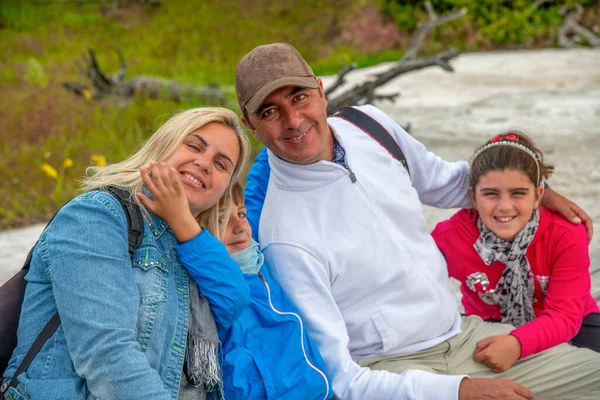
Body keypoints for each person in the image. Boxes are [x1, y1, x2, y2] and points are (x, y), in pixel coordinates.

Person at [235, 43, 600, 400]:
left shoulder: (368, 125)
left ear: (320, 89)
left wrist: (540, 189)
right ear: (249, 124)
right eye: (269, 112)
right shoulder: (284, 236)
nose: (293, 120)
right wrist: (457, 391)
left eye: (299, 97)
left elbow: (453, 184)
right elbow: (341, 379)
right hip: (389, 370)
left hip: (461, 337)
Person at [2, 107, 251, 400]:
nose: (205, 163)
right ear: (163, 146)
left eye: (221, 164)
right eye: (194, 145)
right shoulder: (97, 215)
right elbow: (106, 354)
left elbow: (234, 298)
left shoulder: (188, 245)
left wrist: (183, 222)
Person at [144, 179, 333, 399]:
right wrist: (180, 219)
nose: (239, 226)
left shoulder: (256, 257)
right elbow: (229, 291)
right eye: (222, 219)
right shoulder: (210, 290)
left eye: (242, 214)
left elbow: (270, 173)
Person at [431, 131, 600, 373]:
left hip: (571, 321)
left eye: (518, 193)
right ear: (473, 197)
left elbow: (565, 316)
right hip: (487, 324)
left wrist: (517, 344)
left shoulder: (566, 233)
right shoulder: (450, 237)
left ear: (538, 196)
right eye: (490, 194)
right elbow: (415, 284)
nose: (504, 207)